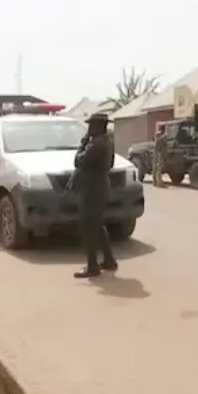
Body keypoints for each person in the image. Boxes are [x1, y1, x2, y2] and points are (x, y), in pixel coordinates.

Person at [73, 113, 117, 278]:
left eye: (91, 125)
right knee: (97, 225)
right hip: (101, 188)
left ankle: (92, 265)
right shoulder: (108, 142)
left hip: (92, 190)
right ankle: (108, 260)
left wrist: (82, 143)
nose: (89, 128)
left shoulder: (95, 145)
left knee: (88, 228)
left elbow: (78, 160)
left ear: (99, 126)